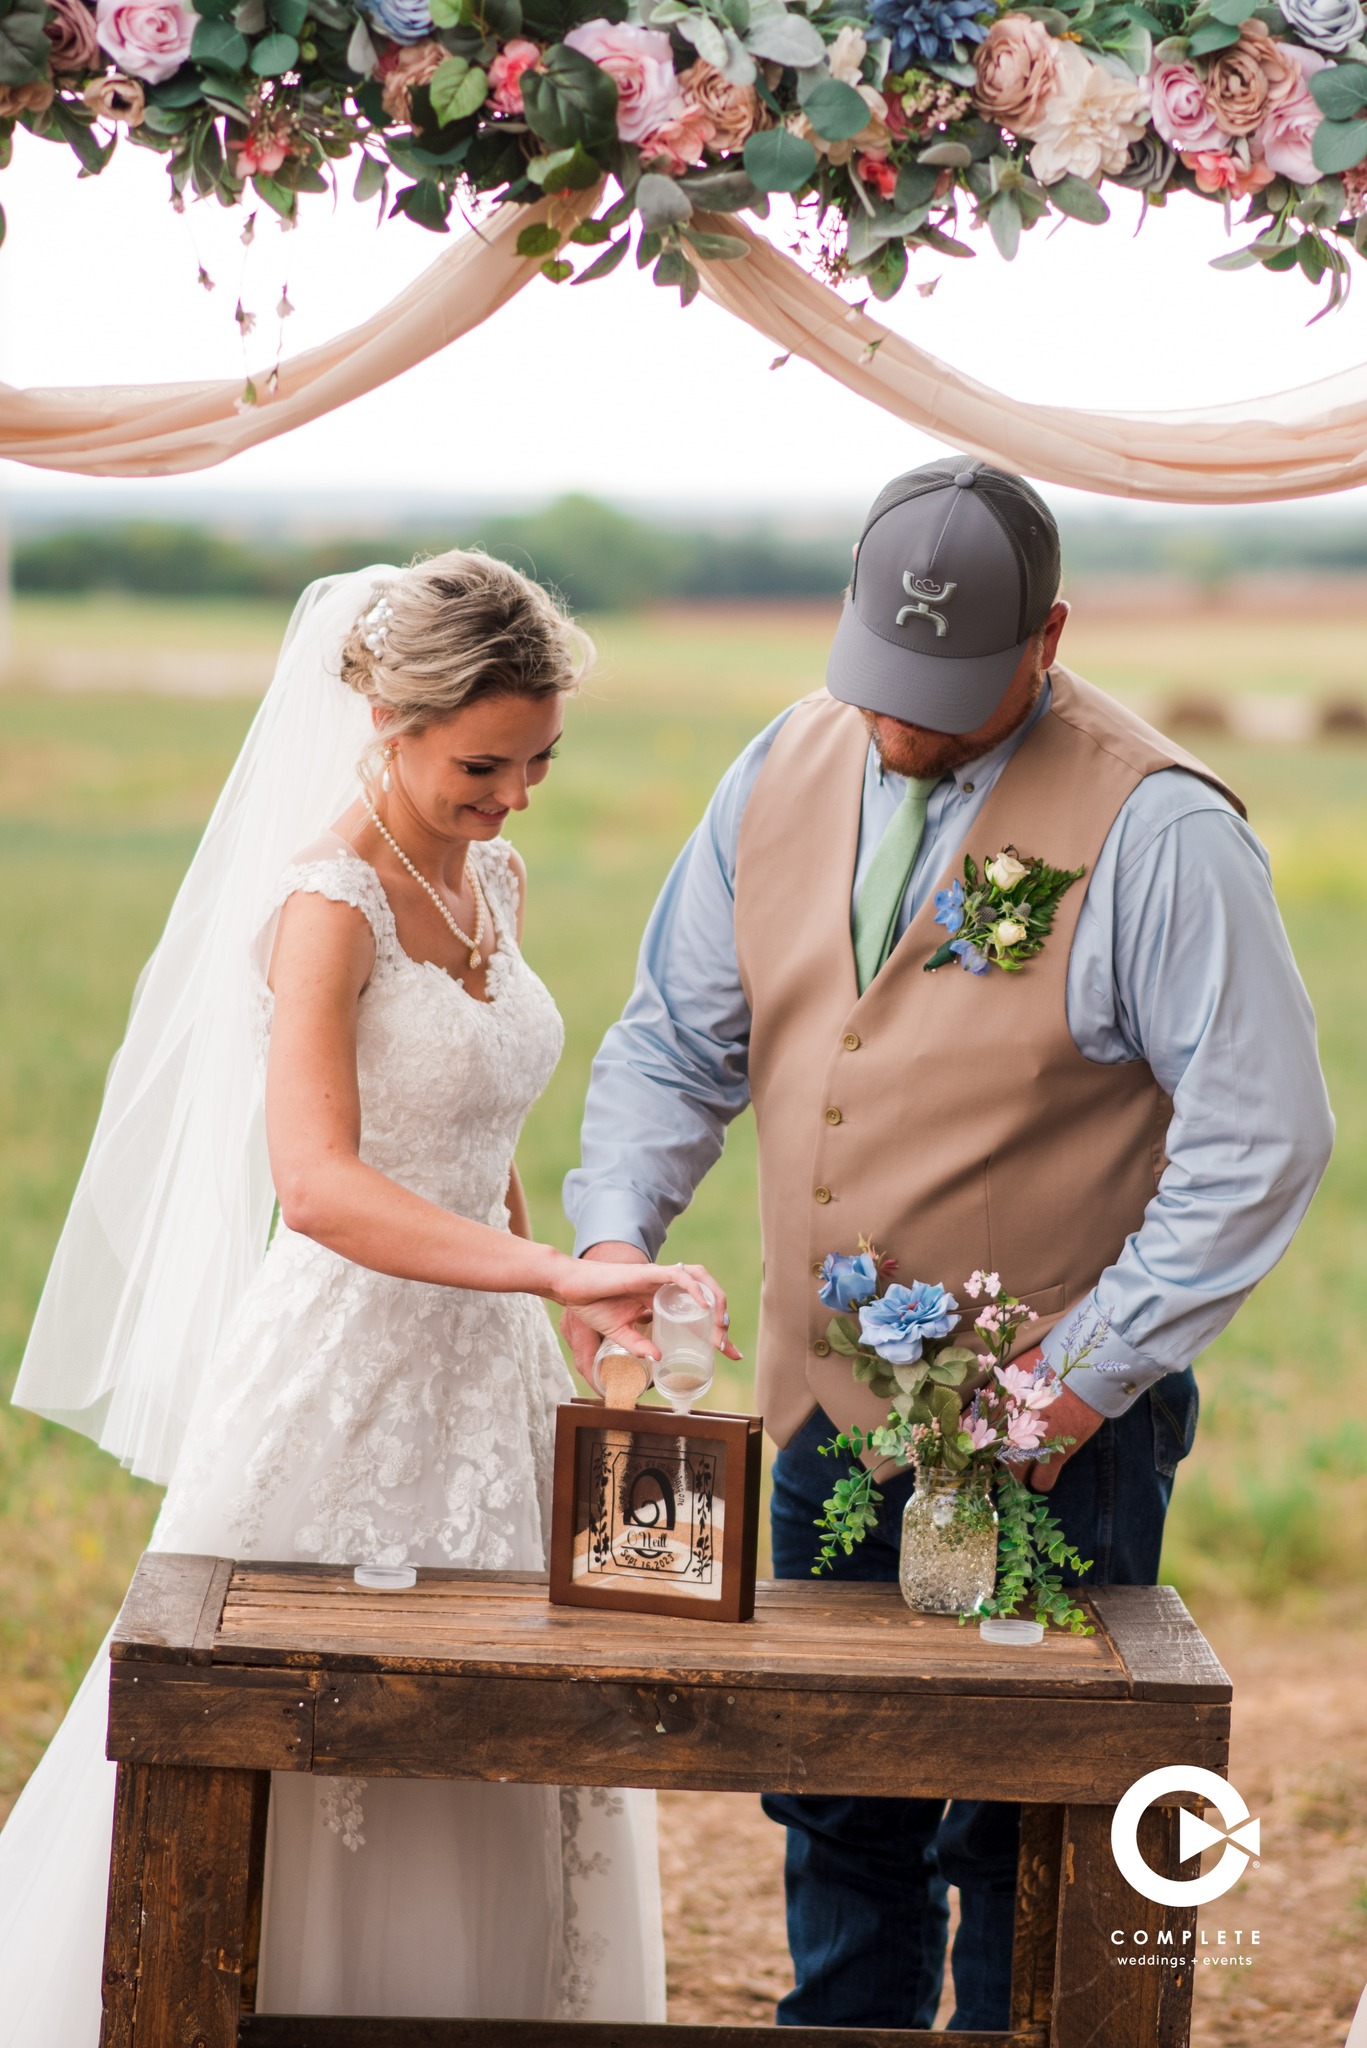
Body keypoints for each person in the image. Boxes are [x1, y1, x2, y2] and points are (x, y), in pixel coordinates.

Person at [563, 457, 1334, 2031]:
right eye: (882, 675)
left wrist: (1082, 1378)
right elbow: (673, 1042)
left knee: (1021, 1821)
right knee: (838, 1801)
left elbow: (1265, 1139)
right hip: (819, 1409)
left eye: (950, 688)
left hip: (1056, 1443)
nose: (900, 721)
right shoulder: (774, 766)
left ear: (1049, 641)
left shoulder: (1163, 829)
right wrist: (611, 1234)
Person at [0, 551, 735, 2041]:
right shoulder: (325, 901)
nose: (516, 793)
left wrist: (575, 1296)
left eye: (539, 760)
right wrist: (534, 1266)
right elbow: (322, 1185)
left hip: (496, 1366)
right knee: (304, 1717)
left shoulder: (494, 873)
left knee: (522, 1703)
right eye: (485, 762)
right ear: (390, 719)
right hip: (342, 1374)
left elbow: (479, 1144)